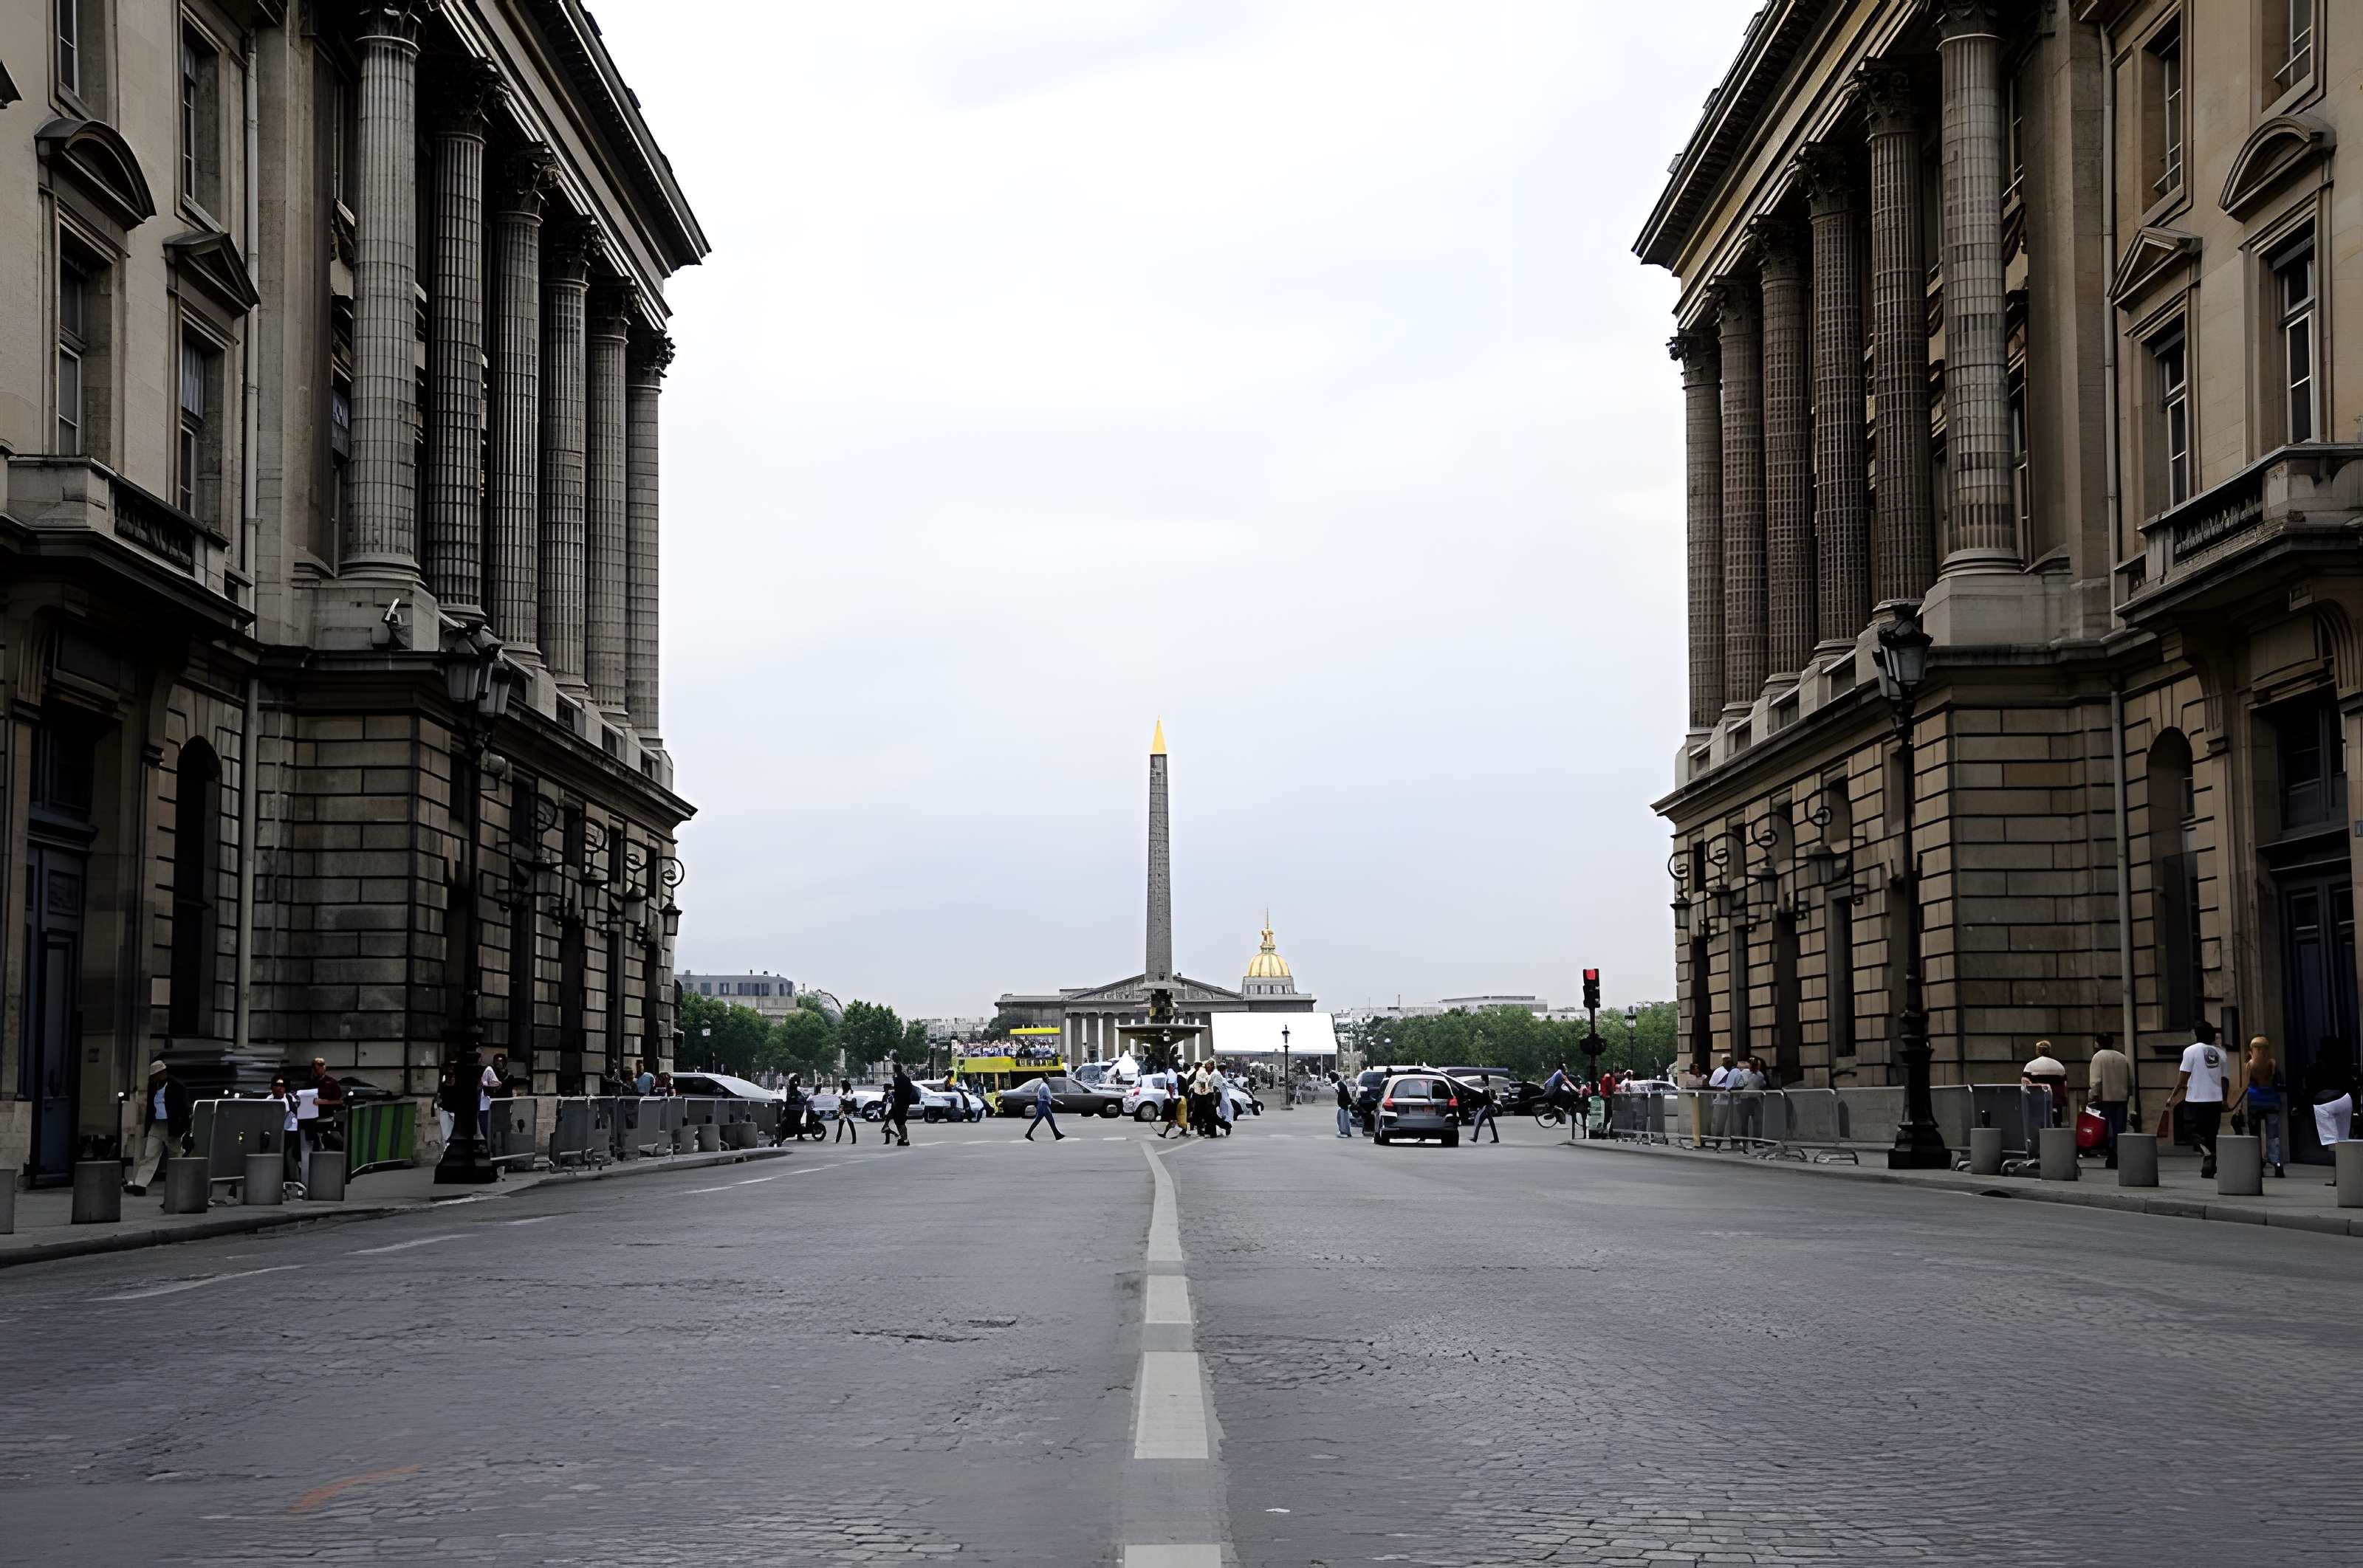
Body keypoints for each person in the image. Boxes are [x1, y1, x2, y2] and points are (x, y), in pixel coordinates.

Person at [2165, 1020, 2231, 1178]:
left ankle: (2208, 1157)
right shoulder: (2221, 1053)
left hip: (2196, 1099)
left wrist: (2172, 1096)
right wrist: (2225, 1099)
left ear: (2196, 1034)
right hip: (2215, 1099)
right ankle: (2208, 1165)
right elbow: (2225, 1080)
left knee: (2194, 1133)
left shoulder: (2190, 1051)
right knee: (2211, 1134)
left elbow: (2183, 1078)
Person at [128, 1060, 194, 1194]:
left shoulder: (177, 1086)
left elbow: (184, 1108)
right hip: (157, 1125)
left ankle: (179, 1183)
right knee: (150, 1155)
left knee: (175, 1155)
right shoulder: (153, 1086)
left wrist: (183, 1128)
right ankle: (140, 1185)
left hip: (172, 1126)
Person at [2306, 1040, 2356, 1180]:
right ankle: (2343, 1174)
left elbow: (2311, 1089)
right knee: (2343, 1138)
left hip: (2326, 1103)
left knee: (2333, 1140)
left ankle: (2339, 1174)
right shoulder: (2344, 1066)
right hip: (2344, 1101)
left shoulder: (2318, 1067)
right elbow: (2351, 1085)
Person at [2085, 1033, 2134, 1169]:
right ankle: (2118, 1156)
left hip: (2105, 1098)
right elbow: (2130, 1080)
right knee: (2120, 1129)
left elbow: (2096, 1081)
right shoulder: (2122, 1057)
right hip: (2121, 1098)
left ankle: (2110, 1156)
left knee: (2105, 1130)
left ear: (2098, 1043)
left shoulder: (2098, 1057)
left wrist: (2093, 1096)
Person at [2241, 1036, 2285, 1178]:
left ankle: (2257, 1163)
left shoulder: (2249, 1065)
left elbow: (2244, 1085)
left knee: (2255, 1135)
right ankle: (2277, 1163)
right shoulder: (2271, 1063)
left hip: (2254, 1101)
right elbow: (2279, 1081)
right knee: (2273, 1135)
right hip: (2271, 1101)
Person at [2021, 1042, 2069, 1126]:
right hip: (2056, 1102)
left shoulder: (2030, 1066)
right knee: (2057, 1124)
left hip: (2037, 1102)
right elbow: (2064, 1086)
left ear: (2037, 1051)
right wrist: (2064, 1100)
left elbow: (2026, 1085)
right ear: (2049, 1050)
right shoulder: (2059, 1066)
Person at [268, 1075, 303, 1189]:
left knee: (290, 1156)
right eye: (277, 1085)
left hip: (290, 1132)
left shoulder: (290, 1099)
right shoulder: (268, 1101)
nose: (280, 1088)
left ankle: (289, 1180)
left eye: (282, 1086)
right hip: (275, 1133)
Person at [307, 1057, 346, 1153]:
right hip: (312, 1120)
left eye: (322, 1067)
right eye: (317, 1068)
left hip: (327, 1120)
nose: (319, 1070)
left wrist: (323, 1102)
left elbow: (340, 1101)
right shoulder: (311, 1083)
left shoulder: (331, 1083)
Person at [1025, 1074, 1065, 1142]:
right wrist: (1059, 1102)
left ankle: (1028, 1134)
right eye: (1048, 1079)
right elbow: (1050, 1098)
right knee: (1051, 1121)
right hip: (1044, 1105)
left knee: (1037, 1121)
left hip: (1041, 1104)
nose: (1049, 1080)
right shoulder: (1045, 1087)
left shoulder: (1042, 1086)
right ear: (1045, 1079)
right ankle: (1057, 1135)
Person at [888, 1065, 917, 1146]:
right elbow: (910, 1090)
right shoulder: (907, 1079)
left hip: (899, 1103)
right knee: (900, 1121)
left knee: (899, 1121)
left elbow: (897, 1092)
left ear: (895, 1070)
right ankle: (903, 1138)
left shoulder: (897, 1080)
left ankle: (905, 1140)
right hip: (905, 1102)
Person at [1467, 1078, 1500, 1144]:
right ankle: (1496, 1139)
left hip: (1485, 1109)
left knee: (1478, 1123)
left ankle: (1475, 1138)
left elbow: (1483, 1100)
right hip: (1488, 1108)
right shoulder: (1488, 1090)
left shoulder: (1483, 1091)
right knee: (1492, 1125)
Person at [833, 1077, 860, 1144]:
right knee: (851, 1126)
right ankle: (854, 1140)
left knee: (840, 1127)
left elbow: (841, 1107)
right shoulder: (851, 1094)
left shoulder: (844, 1096)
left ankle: (837, 1140)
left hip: (843, 1113)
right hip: (850, 1113)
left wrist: (838, 1114)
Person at [1331, 1072, 1354, 1138]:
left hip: (1343, 1105)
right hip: (1343, 1105)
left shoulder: (1340, 1085)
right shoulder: (1341, 1084)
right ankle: (1345, 1131)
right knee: (1342, 1118)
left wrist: (1342, 1103)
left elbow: (1343, 1096)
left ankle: (1344, 1132)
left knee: (1343, 1119)